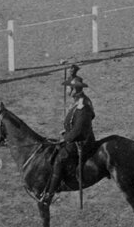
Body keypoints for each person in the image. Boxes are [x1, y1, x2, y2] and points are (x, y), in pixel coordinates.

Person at [39, 71, 97, 203]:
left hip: (82, 141)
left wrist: (66, 137)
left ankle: (50, 194)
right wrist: (67, 131)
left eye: (68, 88)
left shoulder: (83, 105)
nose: (66, 90)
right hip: (75, 136)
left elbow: (79, 131)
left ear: (74, 90)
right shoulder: (78, 101)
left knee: (60, 158)